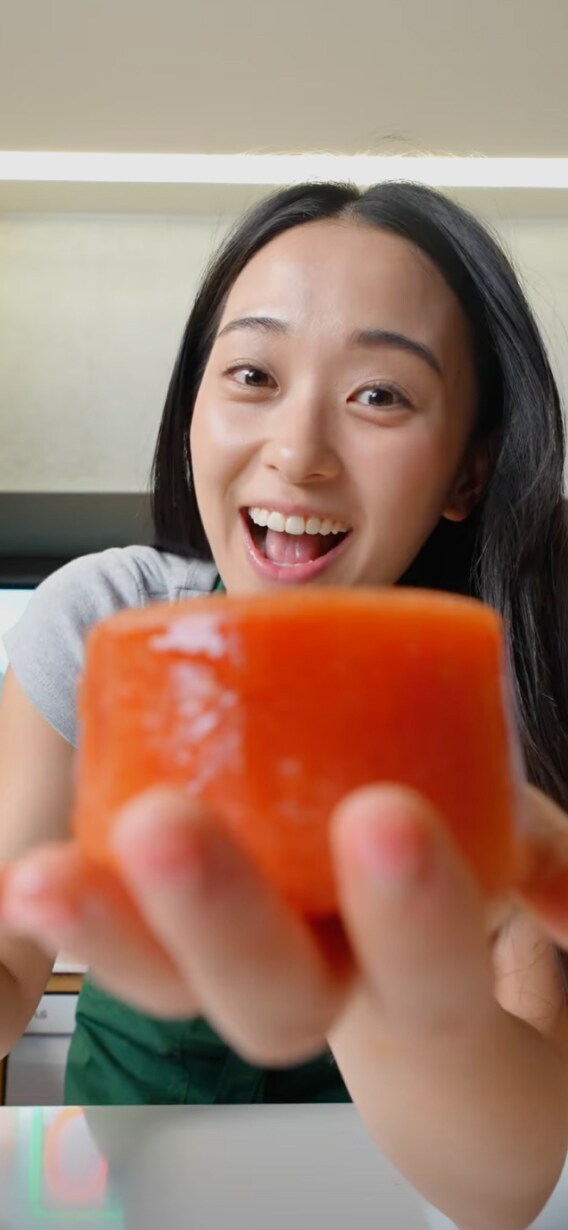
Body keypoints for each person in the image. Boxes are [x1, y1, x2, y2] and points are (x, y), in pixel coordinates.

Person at [1, 179, 568, 1229]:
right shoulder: (101, 624)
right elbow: (11, 942)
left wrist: (365, 971)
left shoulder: (491, 701)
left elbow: (510, 1178)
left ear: (467, 469)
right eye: (253, 374)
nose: (298, 453)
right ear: (191, 416)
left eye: (381, 395)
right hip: (114, 1207)